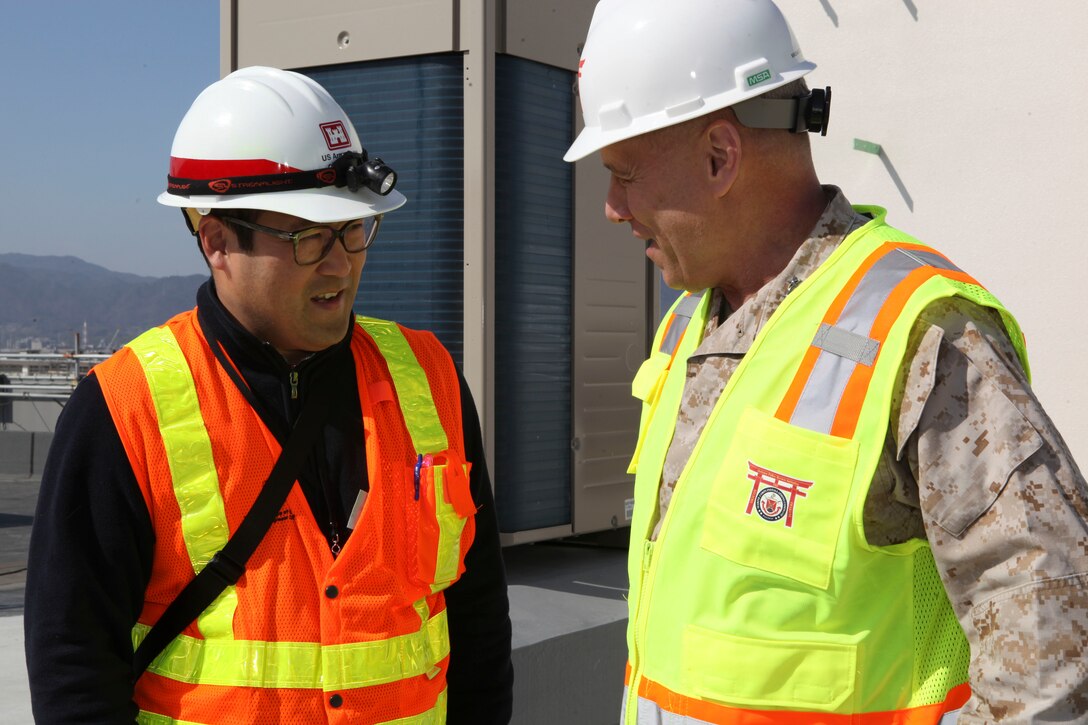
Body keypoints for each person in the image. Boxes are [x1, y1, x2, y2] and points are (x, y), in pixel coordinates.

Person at [564, 1, 1088, 723]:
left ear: (720, 156)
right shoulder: (688, 324)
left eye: (623, 173)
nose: (612, 208)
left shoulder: (921, 334)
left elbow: (1052, 653)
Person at [24, 66, 513, 724]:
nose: (341, 264)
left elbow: (476, 620)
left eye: (354, 230)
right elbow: (74, 669)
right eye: (309, 237)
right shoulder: (124, 408)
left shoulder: (429, 378)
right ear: (217, 241)